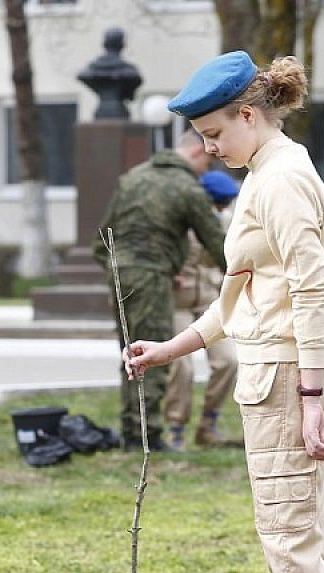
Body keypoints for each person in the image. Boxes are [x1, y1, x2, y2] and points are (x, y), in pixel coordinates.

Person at [127, 52, 324, 573]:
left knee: (290, 536)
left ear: (248, 115)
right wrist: (172, 348)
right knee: (294, 531)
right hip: (282, 367)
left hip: (289, 373)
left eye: (214, 132)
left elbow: (311, 291)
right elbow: (245, 294)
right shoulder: (268, 173)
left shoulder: (279, 181)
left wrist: (310, 394)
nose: (206, 147)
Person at [92, 130, 228, 451]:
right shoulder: (187, 188)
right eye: (207, 160)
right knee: (149, 356)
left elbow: (102, 240)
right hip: (151, 276)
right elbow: (218, 244)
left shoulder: (132, 178)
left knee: (130, 353)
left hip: (120, 273)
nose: (206, 168)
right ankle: (144, 436)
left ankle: (131, 431)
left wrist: (117, 273)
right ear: (196, 152)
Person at [162, 171, 241, 450]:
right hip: (178, 303)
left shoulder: (226, 223)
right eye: (216, 203)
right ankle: (175, 429)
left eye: (224, 204)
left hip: (210, 300)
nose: (219, 209)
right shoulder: (178, 220)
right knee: (180, 365)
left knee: (229, 361)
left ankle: (208, 424)